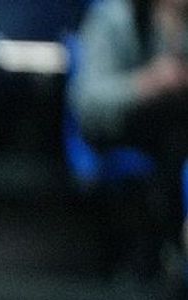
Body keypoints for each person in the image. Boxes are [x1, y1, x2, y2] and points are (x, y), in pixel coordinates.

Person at [71, 0, 188, 273]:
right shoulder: (113, 19)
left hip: (174, 127)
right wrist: (147, 83)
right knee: (173, 141)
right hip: (117, 126)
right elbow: (88, 102)